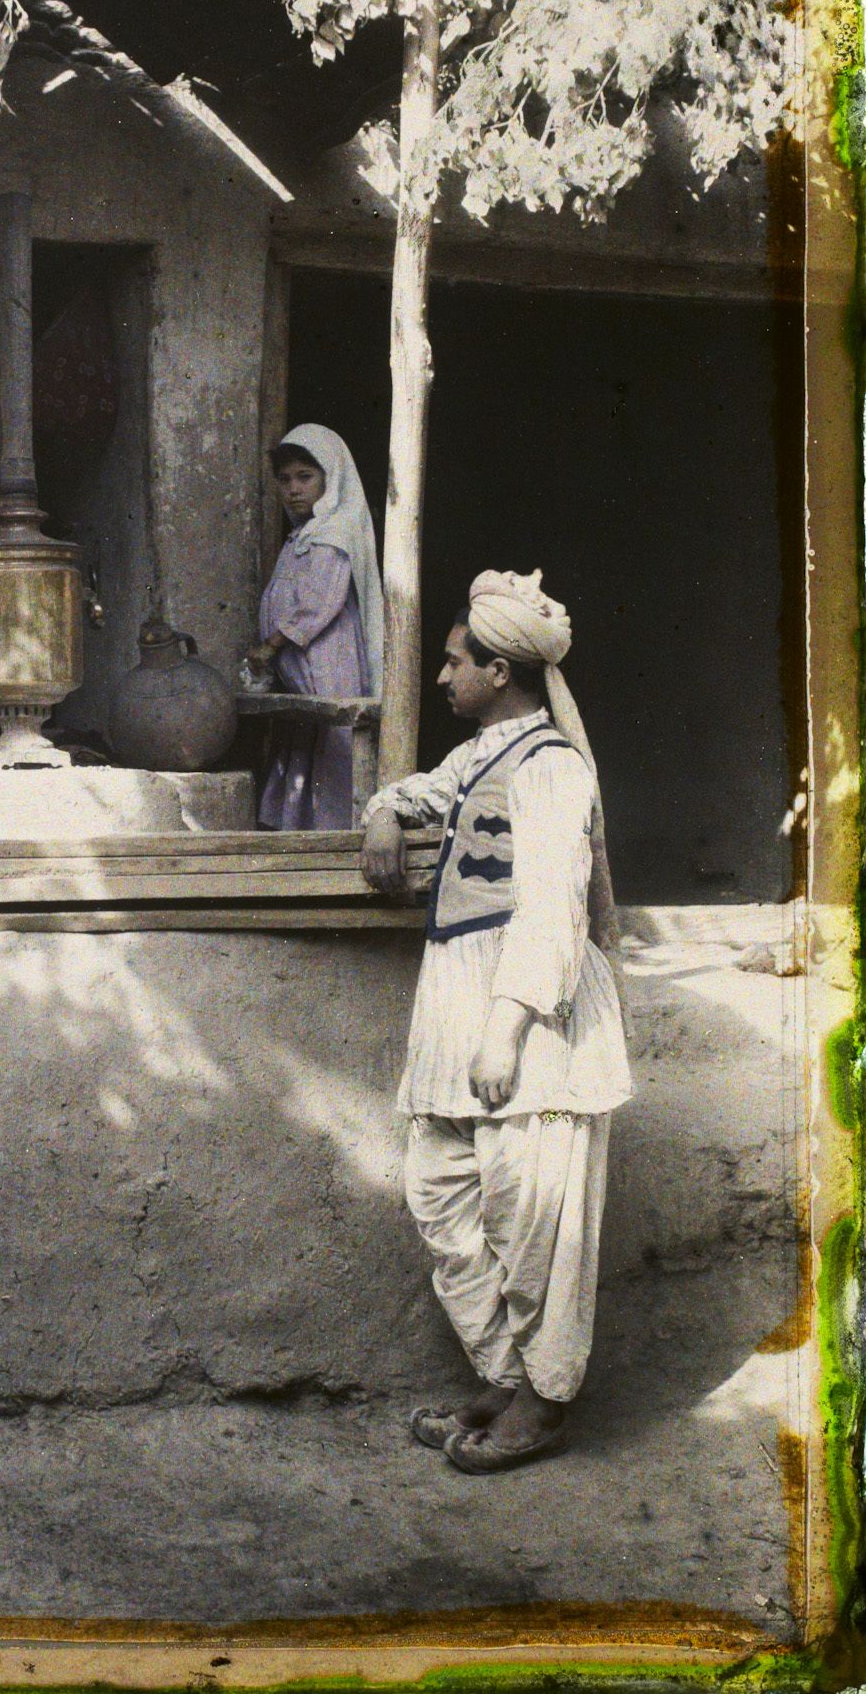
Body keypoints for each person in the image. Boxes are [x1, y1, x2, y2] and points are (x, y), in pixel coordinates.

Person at [359, 569, 631, 1472]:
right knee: (440, 1191)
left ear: (500, 671)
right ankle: (506, 1373)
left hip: (531, 1012)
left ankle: (544, 1400)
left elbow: (553, 907)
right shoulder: (479, 755)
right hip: (455, 998)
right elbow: (418, 792)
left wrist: (505, 1027)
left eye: (453, 662)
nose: (442, 677)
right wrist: (383, 814)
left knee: (532, 1215)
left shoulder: (551, 767)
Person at [248, 422, 384, 830]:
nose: (294, 489)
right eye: (285, 479)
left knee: (334, 739)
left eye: (305, 477)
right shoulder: (302, 534)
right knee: (306, 737)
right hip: (302, 663)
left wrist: (272, 644)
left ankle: (338, 828)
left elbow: (319, 602)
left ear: (331, 477)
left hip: (328, 659)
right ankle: (301, 827)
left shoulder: (334, 532)